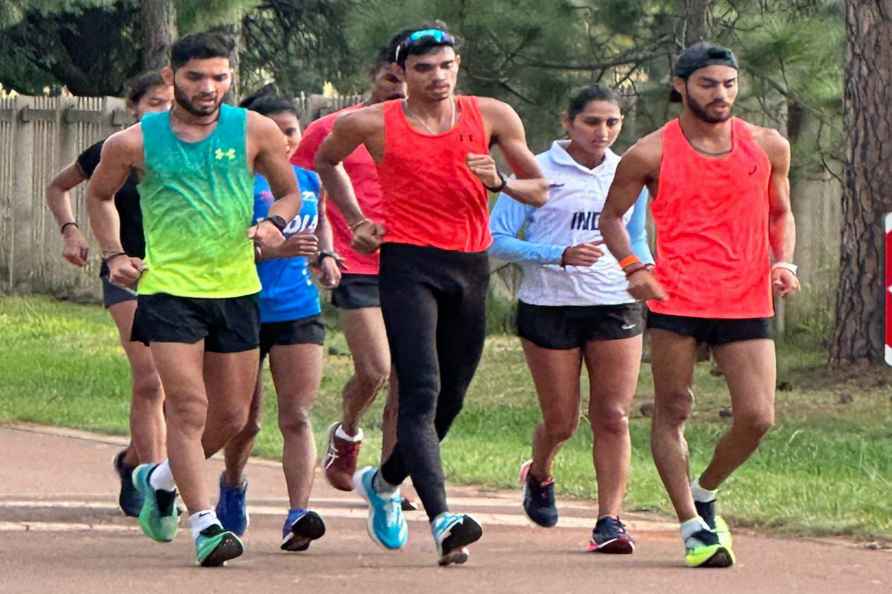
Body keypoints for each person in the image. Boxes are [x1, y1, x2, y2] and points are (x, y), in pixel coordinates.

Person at [316, 24, 549, 566]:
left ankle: (386, 479)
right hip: (407, 264)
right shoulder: (372, 122)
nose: (437, 77)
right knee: (420, 391)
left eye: (446, 66)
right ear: (403, 74)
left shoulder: (491, 115)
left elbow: (538, 187)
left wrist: (501, 184)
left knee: (453, 398)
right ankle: (443, 519)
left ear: (457, 66)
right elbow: (326, 160)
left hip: (469, 266)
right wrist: (354, 219)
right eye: (423, 69)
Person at [87, 32, 303, 567]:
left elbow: (290, 191)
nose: (209, 88)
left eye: (220, 77)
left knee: (230, 418)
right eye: (196, 77)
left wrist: (273, 226)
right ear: (171, 77)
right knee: (188, 408)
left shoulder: (254, 130)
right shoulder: (133, 142)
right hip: (168, 290)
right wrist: (114, 255)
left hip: (235, 290)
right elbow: (98, 195)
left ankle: (159, 478)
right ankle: (205, 525)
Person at [599, 42, 799, 568]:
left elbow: (781, 212)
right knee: (674, 410)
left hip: (746, 296)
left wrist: (786, 263)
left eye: (729, 83)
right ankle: (691, 525)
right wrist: (634, 270)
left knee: (757, 417)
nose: (721, 93)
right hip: (678, 297)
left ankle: (705, 491)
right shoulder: (650, 152)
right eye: (708, 83)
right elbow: (612, 218)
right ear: (681, 85)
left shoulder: (767, 145)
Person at [489, 85, 653, 553]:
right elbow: (497, 238)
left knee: (614, 416)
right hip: (549, 305)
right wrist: (556, 254)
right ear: (568, 122)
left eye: (613, 122)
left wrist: (643, 269)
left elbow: (634, 235)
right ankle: (539, 472)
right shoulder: (536, 169)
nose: (603, 132)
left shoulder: (627, 172)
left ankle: (610, 522)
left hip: (613, 302)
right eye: (592, 122)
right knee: (561, 421)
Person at [214, 87, 337, 552]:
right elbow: (215, 249)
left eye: (292, 131)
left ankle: (297, 514)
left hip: (298, 310)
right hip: (242, 308)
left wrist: (326, 255)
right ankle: (232, 481)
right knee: (244, 421)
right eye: (277, 132)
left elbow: (319, 220)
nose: (287, 141)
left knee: (297, 414)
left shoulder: (307, 179)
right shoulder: (231, 182)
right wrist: (274, 249)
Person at [45, 71, 172, 518]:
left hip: (182, 276)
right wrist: (70, 232)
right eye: (154, 102)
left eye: (170, 103)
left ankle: (134, 462)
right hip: (124, 273)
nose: (163, 111)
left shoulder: (190, 154)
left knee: (186, 389)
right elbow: (58, 187)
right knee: (151, 378)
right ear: (134, 106)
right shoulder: (111, 150)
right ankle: (159, 488)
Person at [292, 35, 407, 493]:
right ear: (373, 76)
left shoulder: (430, 133)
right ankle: (348, 430)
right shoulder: (332, 129)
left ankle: (390, 483)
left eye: (405, 82)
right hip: (355, 262)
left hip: (412, 263)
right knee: (376, 368)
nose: (398, 90)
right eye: (390, 79)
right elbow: (300, 186)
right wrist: (319, 249)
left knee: (407, 380)